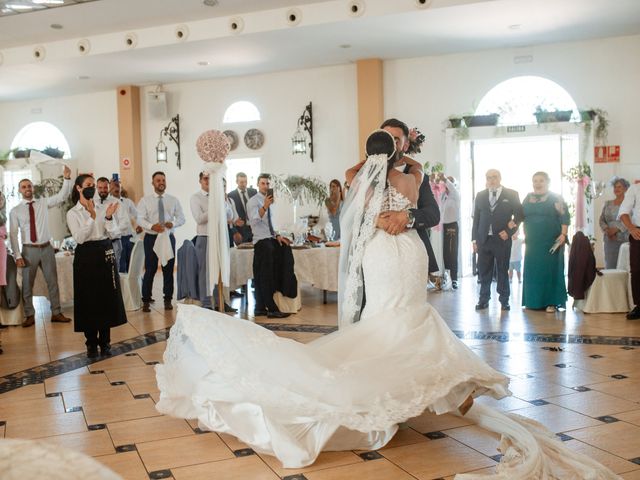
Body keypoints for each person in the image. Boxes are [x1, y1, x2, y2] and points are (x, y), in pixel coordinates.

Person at [155, 130, 618, 478]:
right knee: (389, 320)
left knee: (412, 316)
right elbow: (358, 194)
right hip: (379, 254)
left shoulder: (411, 173)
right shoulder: (366, 172)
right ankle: (389, 392)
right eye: (390, 139)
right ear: (383, 142)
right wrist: (387, 154)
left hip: (408, 252)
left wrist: (402, 158)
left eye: (401, 139)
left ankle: (409, 392)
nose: (397, 145)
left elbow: (423, 205)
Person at [66, 174, 127, 358]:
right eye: (88, 185)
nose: (92, 188)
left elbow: (115, 232)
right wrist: (91, 217)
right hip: (86, 255)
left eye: (93, 185)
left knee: (106, 298)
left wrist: (107, 217)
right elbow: (79, 237)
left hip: (104, 252)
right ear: (78, 188)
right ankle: (91, 343)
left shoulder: (102, 207)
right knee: (89, 300)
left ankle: (105, 342)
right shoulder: (73, 213)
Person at [372, 118, 440, 277]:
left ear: (406, 145)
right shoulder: (366, 175)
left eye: (395, 139)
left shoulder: (416, 174)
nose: (389, 143)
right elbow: (353, 215)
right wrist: (376, 220)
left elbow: (433, 215)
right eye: (386, 137)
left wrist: (408, 216)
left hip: (411, 257)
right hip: (374, 257)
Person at [9, 165, 73, 328]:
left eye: (29, 186)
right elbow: (13, 234)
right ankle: (29, 315)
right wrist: (17, 255)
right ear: (20, 190)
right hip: (28, 250)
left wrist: (66, 179)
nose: (27, 189)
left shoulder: (43, 203)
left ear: (33, 188)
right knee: (27, 284)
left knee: (52, 281)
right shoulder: (15, 211)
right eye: (24, 187)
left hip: (46, 248)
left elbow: (61, 196)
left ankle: (56, 313)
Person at [472, 169, 523, 311]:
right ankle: (483, 300)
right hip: (483, 240)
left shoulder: (512, 194)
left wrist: (509, 231)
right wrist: (474, 240)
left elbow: (519, 216)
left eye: (494, 177)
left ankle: (504, 300)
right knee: (484, 271)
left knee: (502, 270)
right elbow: (476, 218)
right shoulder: (480, 195)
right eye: (488, 178)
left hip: (502, 239)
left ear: (500, 178)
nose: (491, 180)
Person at [521, 171, 570, 312]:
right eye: (535, 180)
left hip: (550, 240)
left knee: (550, 270)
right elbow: (521, 215)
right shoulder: (528, 197)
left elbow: (565, 216)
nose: (537, 183)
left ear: (547, 182)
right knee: (533, 269)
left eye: (541, 180)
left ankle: (551, 302)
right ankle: (533, 301)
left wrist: (563, 234)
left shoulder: (556, 198)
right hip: (532, 241)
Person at [137, 171, 185, 312]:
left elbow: (182, 218)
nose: (161, 182)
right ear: (153, 183)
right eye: (158, 180)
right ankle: (146, 300)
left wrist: (173, 224)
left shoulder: (173, 200)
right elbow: (140, 218)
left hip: (168, 237)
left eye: (163, 180)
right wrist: (152, 226)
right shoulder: (145, 201)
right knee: (150, 269)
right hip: (151, 237)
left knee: (168, 269)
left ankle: (168, 299)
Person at [189, 172, 237, 313]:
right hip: (205, 237)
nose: (208, 181)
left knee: (220, 271)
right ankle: (206, 303)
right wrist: (214, 207)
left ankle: (220, 301)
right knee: (205, 272)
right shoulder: (196, 198)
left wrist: (223, 202)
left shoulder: (219, 197)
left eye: (211, 179)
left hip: (220, 237)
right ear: (200, 180)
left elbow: (231, 216)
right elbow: (199, 218)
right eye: (205, 178)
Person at [246, 174, 292, 319]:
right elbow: (253, 221)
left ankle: (260, 307)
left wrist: (277, 235)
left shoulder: (271, 201)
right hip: (261, 242)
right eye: (263, 183)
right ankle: (271, 309)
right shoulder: (253, 201)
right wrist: (264, 206)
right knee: (265, 276)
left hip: (270, 239)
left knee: (263, 274)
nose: (266, 186)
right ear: (258, 184)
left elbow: (271, 222)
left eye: (267, 184)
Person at [619, 181, 640, 320]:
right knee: (637, 270)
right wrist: (632, 228)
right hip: (638, 232)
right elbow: (623, 212)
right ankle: (639, 305)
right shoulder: (635, 187)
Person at [110, 179, 141, 272]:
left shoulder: (128, 202)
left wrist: (140, 225)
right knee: (121, 263)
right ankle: (123, 286)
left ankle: (132, 285)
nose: (116, 188)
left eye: (118, 186)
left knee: (132, 263)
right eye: (114, 186)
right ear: (110, 188)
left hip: (130, 236)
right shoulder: (109, 202)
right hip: (118, 237)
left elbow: (137, 215)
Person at [599, 177, 629, 268]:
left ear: (625, 188)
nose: (617, 189)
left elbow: (631, 219)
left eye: (619, 187)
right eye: (615, 187)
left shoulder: (629, 203)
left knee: (624, 266)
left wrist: (616, 229)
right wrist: (607, 230)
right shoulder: (607, 203)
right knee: (610, 265)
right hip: (609, 240)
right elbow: (602, 219)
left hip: (624, 239)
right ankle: (611, 283)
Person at [95, 177, 123, 268]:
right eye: (100, 188)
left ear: (109, 188)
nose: (103, 190)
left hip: (113, 242)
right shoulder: (93, 203)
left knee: (114, 272)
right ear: (96, 188)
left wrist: (112, 231)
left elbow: (124, 223)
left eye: (105, 188)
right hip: (99, 244)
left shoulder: (116, 202)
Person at [440, 174, 460, 289]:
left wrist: (445, 178)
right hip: (444, 225)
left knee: (453, 252)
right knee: (446, 252)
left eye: (450, 182)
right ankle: (446, 276)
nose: (448, 184)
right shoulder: (443, 195)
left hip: (452, 225)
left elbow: (451, 186)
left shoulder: (455, 195)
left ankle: (455, 279)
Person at [227, 172, 256, 244]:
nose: (244, 184)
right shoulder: (231, 195)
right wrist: (235, 232)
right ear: (236, 182)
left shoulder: (253, 192)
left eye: (245, 182)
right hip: (241, 231)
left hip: (254, 229)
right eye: (241, 182)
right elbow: (231, 215)